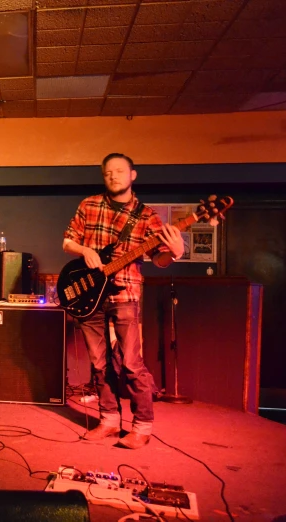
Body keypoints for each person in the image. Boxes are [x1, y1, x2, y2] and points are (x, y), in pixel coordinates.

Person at [62, 153, 184, 449]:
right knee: (98, 363)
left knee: (131, 363)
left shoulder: (147, 216)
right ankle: (109, 421)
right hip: (91, 295)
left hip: (125, 293)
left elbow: (160, 258)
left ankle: (142, 426)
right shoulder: (88, 205)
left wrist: (176, 251)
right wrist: (84, 251)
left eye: (119, 171)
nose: (113, 176)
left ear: (133, 175)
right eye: (108, 173)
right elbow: (67, 241)